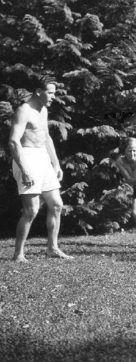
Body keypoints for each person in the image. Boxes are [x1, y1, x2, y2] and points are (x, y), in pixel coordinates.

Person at [8, 78, 72, 262]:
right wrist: (25, 169)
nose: (54, 97)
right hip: (26, 158)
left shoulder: (43, 110)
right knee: (31, 210)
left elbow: (47, 138)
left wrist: (56, 163)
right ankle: (18, 254)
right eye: (50, 92)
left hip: (42, 157)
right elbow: (13, 141)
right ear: (38, 91)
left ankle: (52, 248)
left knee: (57, 205)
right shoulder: (23, 111)